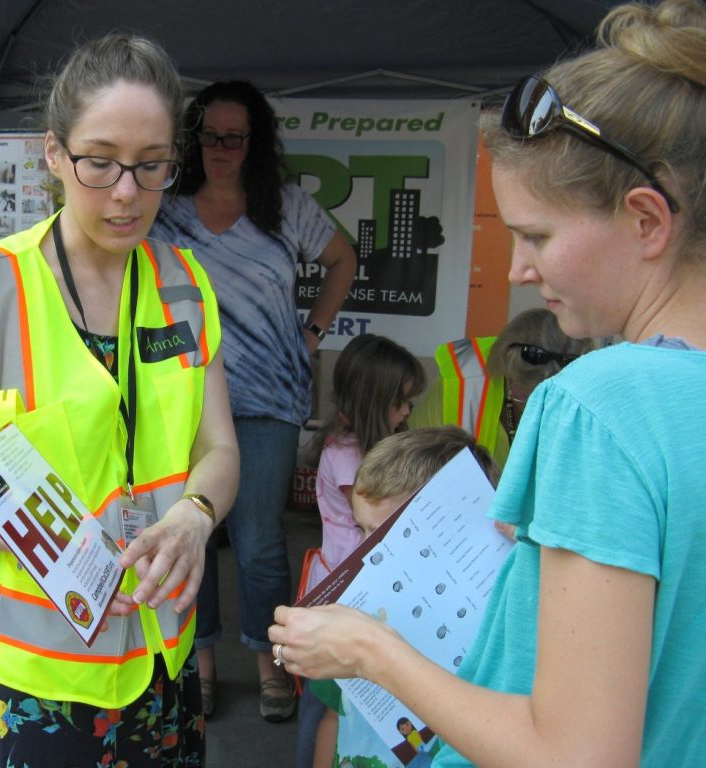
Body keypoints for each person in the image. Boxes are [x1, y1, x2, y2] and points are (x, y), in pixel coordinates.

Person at [270, 0, 706, 764]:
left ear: (646, 220)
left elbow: (576, 753)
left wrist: (371, 650)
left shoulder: (596, 405)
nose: (518, 271)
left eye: (536, 234)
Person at [0, 35, 239, 767]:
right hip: (29, 674)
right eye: (99, 161)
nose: (126, 192)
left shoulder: (184, 284)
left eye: (151, 164)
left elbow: (217, 447)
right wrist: (51, 541)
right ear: (54, 155)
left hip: (159, 657)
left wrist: (194, 516)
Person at [151, 79, 357, 722]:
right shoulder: (166, 209)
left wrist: (313, 332)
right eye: (209, 135)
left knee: (261, 539)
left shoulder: (285, 205)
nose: (220, 148)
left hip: (269, 396)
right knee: (195, 534)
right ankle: (200, 662)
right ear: (193, 139)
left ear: (254, 142)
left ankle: (271, 663)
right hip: (182, 396)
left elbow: (343, 259)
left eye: (234, 137)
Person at [309, 426, 500, 768]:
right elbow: (332, 718)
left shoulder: (490, 648)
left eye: (385, 537)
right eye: (362, 530)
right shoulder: (357, 615)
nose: (365, 553)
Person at [295, 333, 425, 768]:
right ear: (374, 399)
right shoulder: (348, 458)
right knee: (325, 699)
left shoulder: (362, 446)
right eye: (400, 402)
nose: (408, 412)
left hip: (355, 589)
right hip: (343, 592)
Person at [410, 308, 593, 467]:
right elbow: (416, 462)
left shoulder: (591, 400)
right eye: (525, 395)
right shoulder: (462, 379)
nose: (535, 407)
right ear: (506, 370)